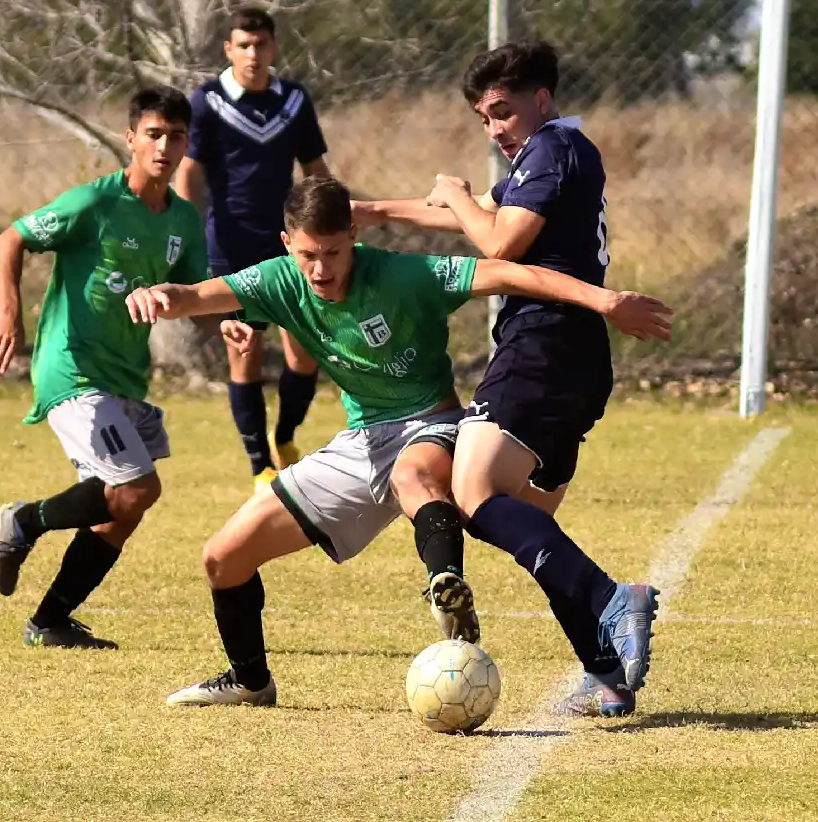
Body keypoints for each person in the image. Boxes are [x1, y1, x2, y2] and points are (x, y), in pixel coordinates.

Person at [125, 175, 672, 707]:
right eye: (309, 255)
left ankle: (447, 588)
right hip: (360, 441)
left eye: (334, 253)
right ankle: (250, 681)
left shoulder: (407, 275)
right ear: (287, 242)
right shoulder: (278, 279)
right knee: (223, 557)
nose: (321, 269)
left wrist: (605, 302)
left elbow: (511, 273)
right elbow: (195, 296)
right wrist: (159, 295)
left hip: (431, 424)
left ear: (353, 236)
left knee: (412, 475)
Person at [352, 41, 659, 717]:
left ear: (541, 100)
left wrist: (457, 195)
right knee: (531, 526)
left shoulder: (551, 147)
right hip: (575, 356)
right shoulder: (551, 154)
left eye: (502, 112)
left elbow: (495, 241)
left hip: (540, 347)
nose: (493, 129)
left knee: (474, 495)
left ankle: (614, 598)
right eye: (484, 119)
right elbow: (480, 216)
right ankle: (606, 673)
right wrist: (376, 211)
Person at [0, 85, 210, 650]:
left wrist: (229, 321)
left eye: (176, 136)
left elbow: (195, 295)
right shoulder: (94, 203)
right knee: (137, 486)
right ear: (130, 138)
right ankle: (25, 521)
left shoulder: (183, 219)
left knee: (123, 509)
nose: (164, 146)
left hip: (125, 376)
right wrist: (9, 313)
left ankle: (49, 621)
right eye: (153, 135)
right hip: (72, 370)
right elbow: (10, 240)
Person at [177, 7, 332, 492]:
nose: (252, 53)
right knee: (245, 352)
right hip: (230, 244)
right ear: (228, 49)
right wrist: (185, 230)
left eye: (260, 43)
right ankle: (259, 465)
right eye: (243, 44)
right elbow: (189, 172)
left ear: (274, 47)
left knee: (305, 352)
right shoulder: (207, 102)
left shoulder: (294, 100)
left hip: (286, 243)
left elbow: (315, 168)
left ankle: (285, 437)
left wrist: (328, 221)